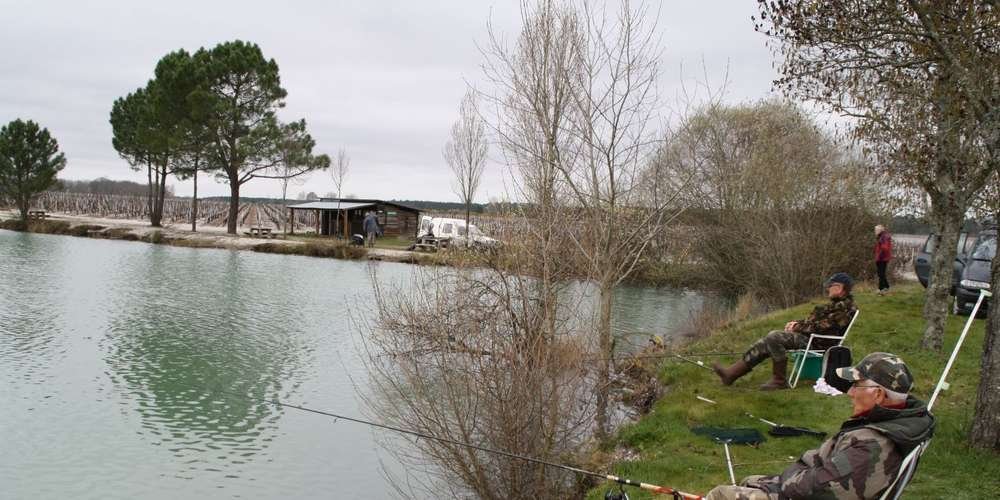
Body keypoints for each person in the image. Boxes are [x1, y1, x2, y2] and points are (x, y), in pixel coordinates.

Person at [705, 352, 935, 500]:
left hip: (806, 493)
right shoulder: (895, 423)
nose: (850, 392)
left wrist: (779, 486)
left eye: (856, 386)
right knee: (748, 481)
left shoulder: (872, 445)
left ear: (878, 394)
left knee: (720, 495)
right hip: (808, 485)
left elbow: (820, 489)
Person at [713, 273, 858, 390]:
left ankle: (779, 380)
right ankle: (731, 374)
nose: (828, 289)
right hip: (811, 338)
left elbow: (821, 327)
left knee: (774, 337)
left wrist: (797, 328)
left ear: (839, 288)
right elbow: (813, 322)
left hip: (818, 343)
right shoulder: (835, 305)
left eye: (830, 286)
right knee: (765, 342)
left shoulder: (844, 308)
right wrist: (796, 323)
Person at [874, 225, 893, 295]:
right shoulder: (882, 236)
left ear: (879, 230)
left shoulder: (883, 237)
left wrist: (879, 257)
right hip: (883, 258)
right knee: (881, 273)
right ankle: (886, 286)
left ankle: (881, 289)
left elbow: (884, 248)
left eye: (875, 230)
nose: (875, 231)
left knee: (881, 274)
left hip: (882, 258)